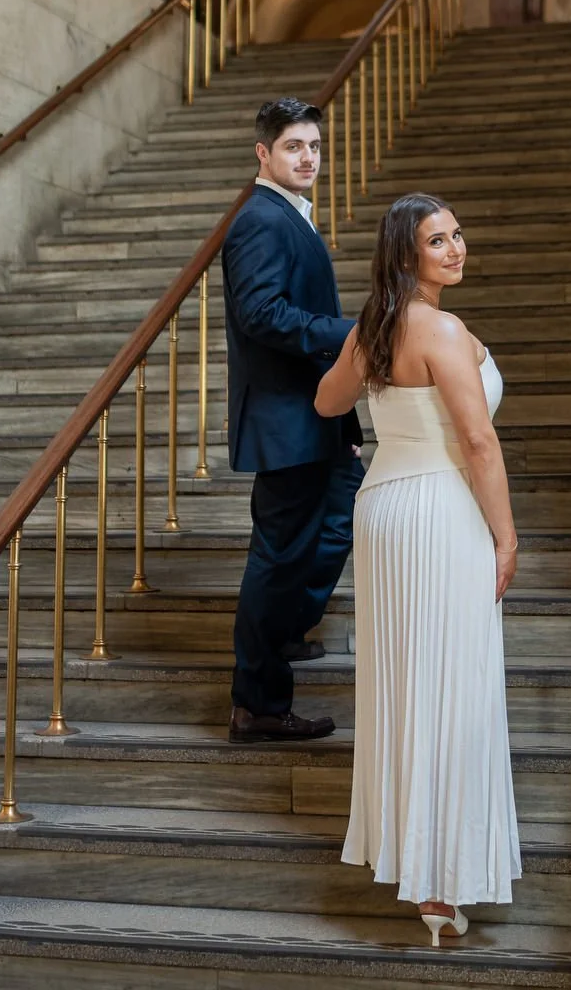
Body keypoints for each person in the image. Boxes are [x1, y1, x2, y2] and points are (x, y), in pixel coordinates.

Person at [315, 192, 520, 944]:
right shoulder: (442, 329)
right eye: (440, 240)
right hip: (440, 510)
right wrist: (505, 537)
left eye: (459, 234)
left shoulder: (372, 330)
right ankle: (443, 882)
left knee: (406, 682)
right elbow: (479, 444)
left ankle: (420, 870)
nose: (458, 249)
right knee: (452, 687)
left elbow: (328, 399)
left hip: (385, 510)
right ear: (408, 255)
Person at [223, 96, 363, 745]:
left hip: (318, 420)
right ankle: (258, 703)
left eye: (313, 146)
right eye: (293, 147)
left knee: (341, 516)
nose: (307, 157)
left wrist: (347, 426)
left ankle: (283, 632)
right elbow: (260, 313)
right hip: (285, 422)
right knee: (277, 559)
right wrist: (347, 332)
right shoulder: (260, 220)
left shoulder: (290, 216)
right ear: (263, 153)